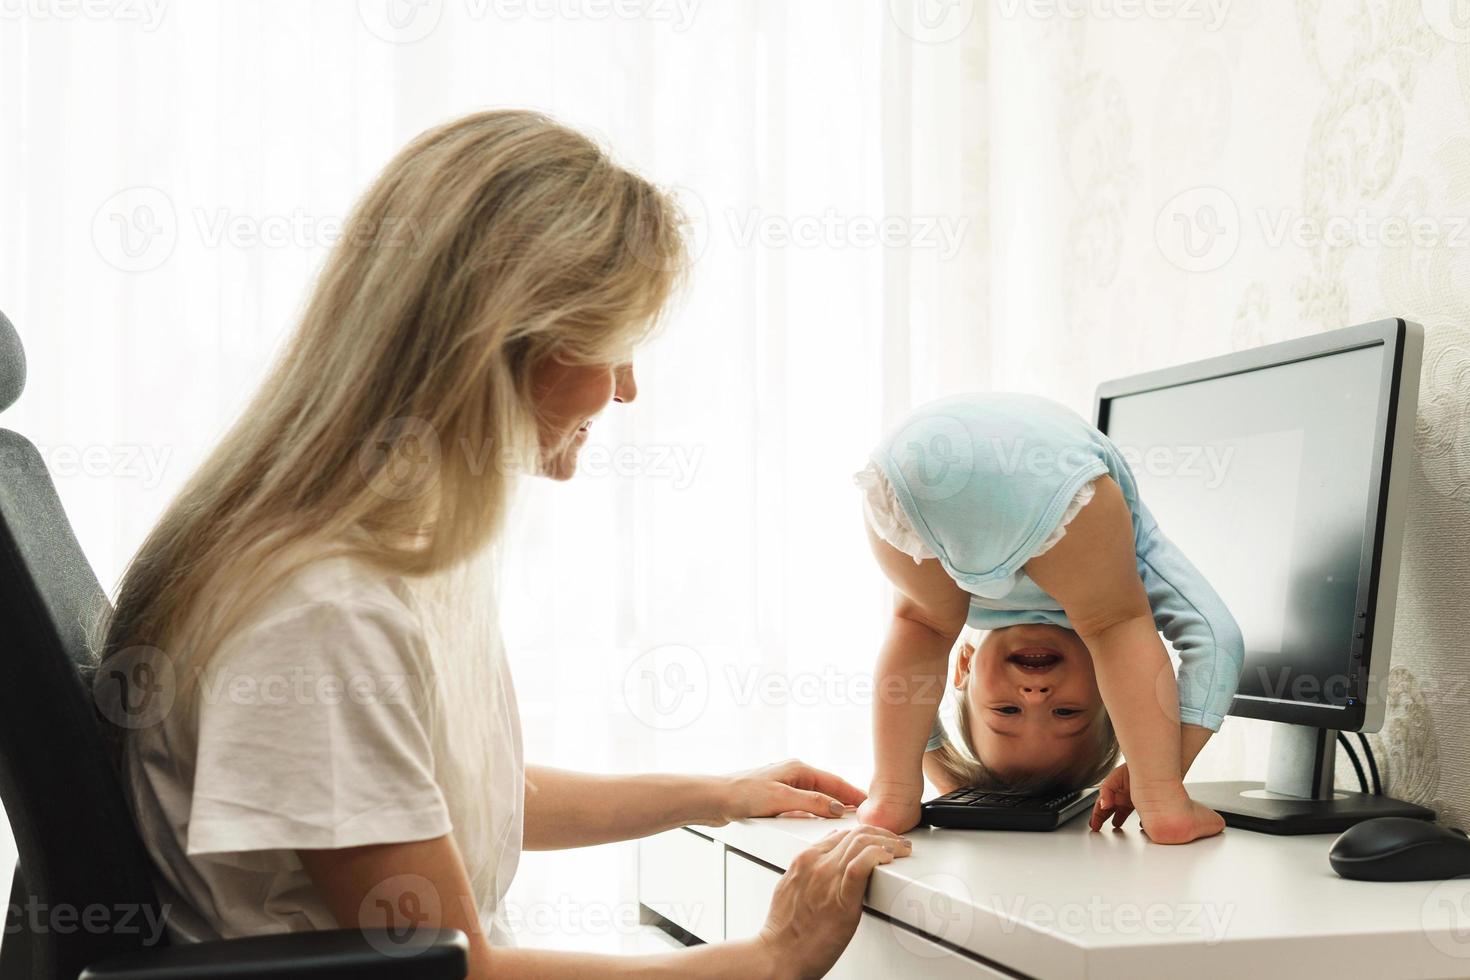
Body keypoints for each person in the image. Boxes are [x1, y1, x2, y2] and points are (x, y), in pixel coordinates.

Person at [99, 109, 908, 979]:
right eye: (616, 346)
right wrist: (771, 959)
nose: (627, 389)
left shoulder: (397, 548)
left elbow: (445, 803)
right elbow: (458, 972)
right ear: (507, 345)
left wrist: (711, 795)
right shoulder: (324, 609)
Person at [851, 392, 1245, 842]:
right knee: (1109, 625)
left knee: (922, 628)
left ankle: (893, 793)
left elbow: (910, 686)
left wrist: (943, 776)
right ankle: (1163, 805)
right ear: (1111, 683)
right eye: (1066, 711)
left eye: (1006, 710)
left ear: (961, 668)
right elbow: (1217, 639)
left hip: (908, 471)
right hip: (1026, 472)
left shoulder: (954, 600)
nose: (1035, 696)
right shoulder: (1130, 557)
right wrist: (1159, 778)